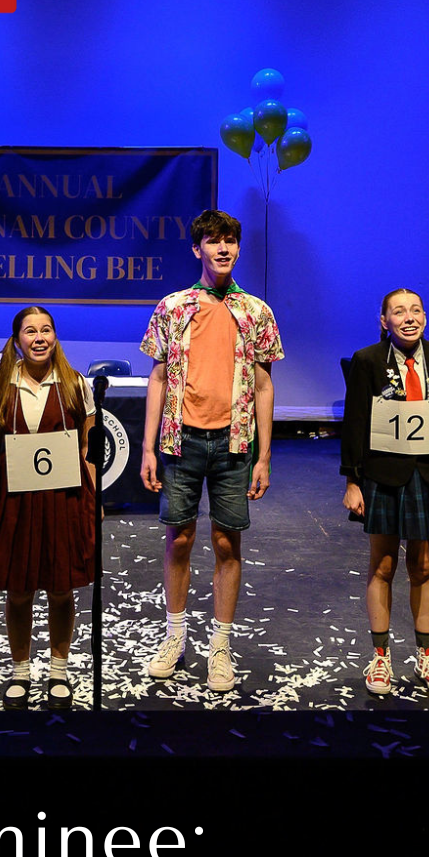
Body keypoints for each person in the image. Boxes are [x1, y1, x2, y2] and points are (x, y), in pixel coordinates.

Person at [138, 208, 283, 692]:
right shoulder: (174, 306)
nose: (223, 249)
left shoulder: (256, 311)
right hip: (180, 440)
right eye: (213, 241)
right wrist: (147, 448)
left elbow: (263, 385)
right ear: (197, 248)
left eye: (230, 242)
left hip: (234, 443)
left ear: (238, 249)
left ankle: (220, 647)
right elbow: (158, 377)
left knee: (227, 542)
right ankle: (175, 636)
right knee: (179, 539)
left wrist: (264, 455)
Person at [339, 289, 429, 697]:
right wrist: (352, 481)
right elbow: (355, 423)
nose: (408, 317)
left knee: (424, 565)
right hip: (384, 475)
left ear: (426, 318)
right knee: (382, 566)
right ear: (385, 321)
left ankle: (427, 657)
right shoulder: (367, 361)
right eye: (399, 312)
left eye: (415, 311)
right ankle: (380, 657)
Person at [0, 307, 98, 711]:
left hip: (63, 497)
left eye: (46, 329)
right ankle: (20, 670)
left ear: (55, 336)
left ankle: (59, 669)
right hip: (15, 499)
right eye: (30, 331)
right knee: (19, 589)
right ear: (17, 340)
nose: (39, 337)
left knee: (62, 587)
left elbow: (89, 448)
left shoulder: (76, 384)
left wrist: (94, 498)